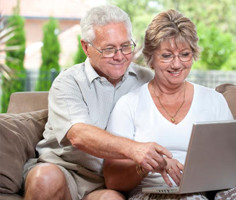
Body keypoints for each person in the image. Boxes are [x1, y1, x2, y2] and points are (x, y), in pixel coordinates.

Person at [103, 9, 236, 200]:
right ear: (151, 58)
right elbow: (112, 180)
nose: (177, 64)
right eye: (167, 55)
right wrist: (145, 165)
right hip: (152, 193)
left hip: (210, 191)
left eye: (185, 54)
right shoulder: (129, 105)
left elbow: (232, 162)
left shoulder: (214, 101)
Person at [22, 5, 173, 200]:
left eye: (125, 46)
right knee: (45, 179)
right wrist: (134, 149)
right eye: (109, 49)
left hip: (110, 181)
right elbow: (79, 135)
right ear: (86, 47)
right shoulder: (68, 82)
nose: (119, 56)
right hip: (64, 170)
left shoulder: (146, 80)